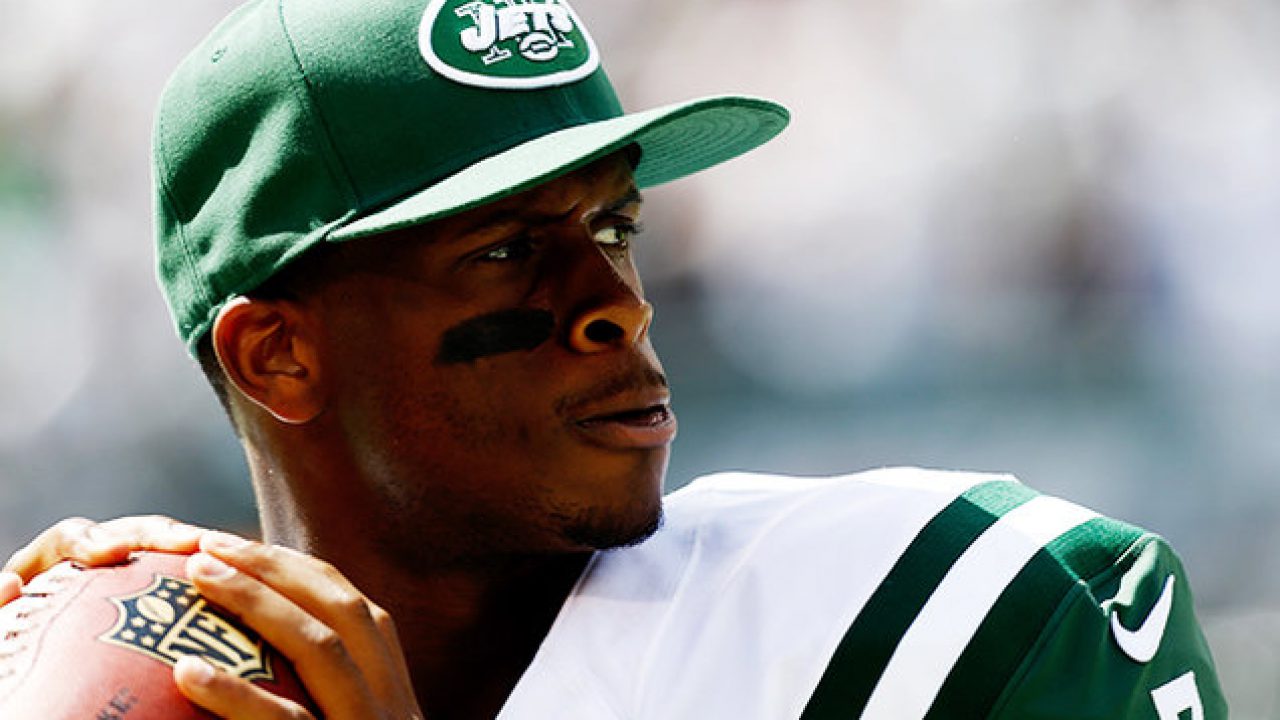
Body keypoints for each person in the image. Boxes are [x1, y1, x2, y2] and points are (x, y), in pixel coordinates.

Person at [0, 0, 1227, 718]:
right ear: (277, 356)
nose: (616, 308)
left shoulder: (945, 614)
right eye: (502, 253)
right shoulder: (162, 682)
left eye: (613, 229)